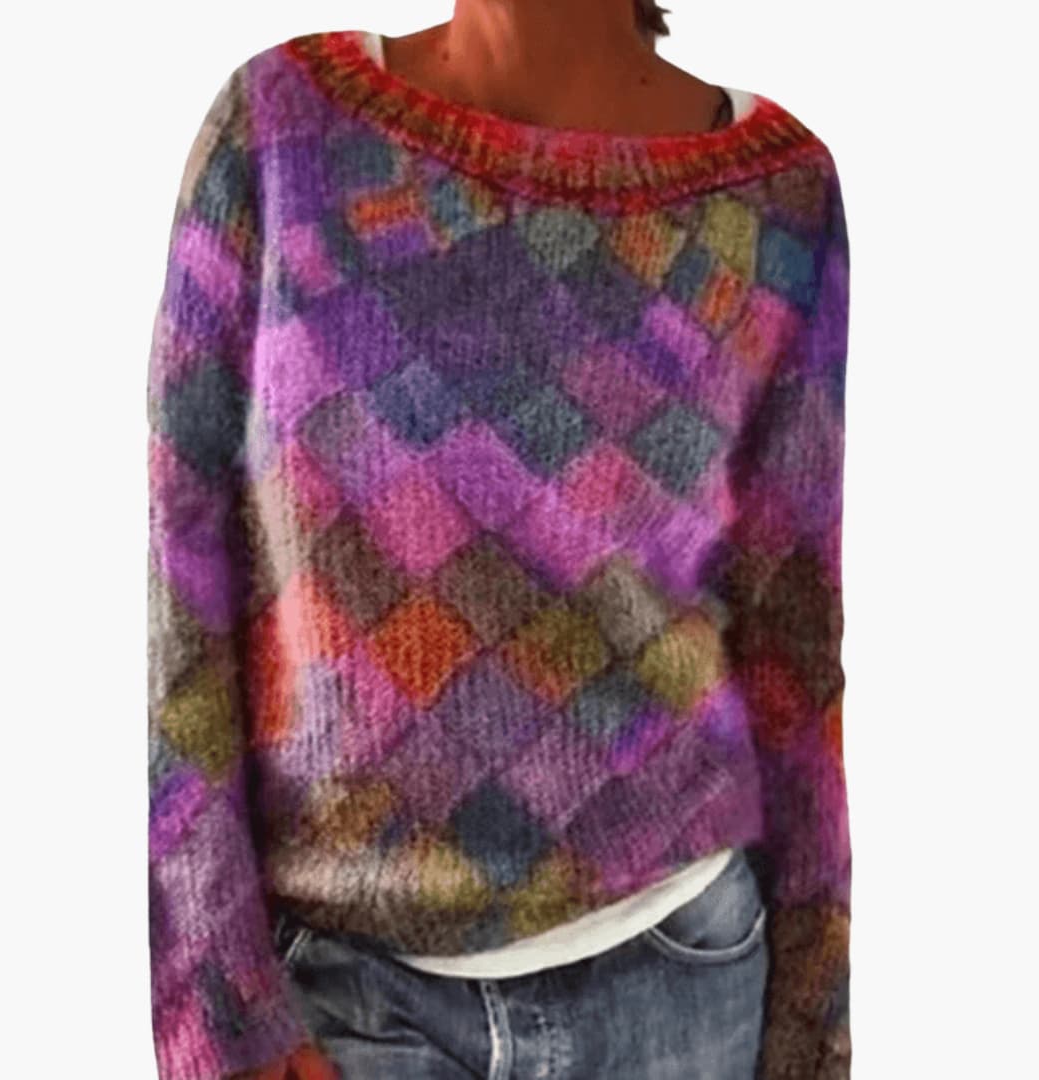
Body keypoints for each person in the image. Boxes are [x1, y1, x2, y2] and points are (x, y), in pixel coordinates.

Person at [146, 2, 852, 1078]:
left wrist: (814, 1032)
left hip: (685, 992)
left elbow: (794, 643)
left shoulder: (777, 200)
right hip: (341, 1007)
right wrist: (213, 1004)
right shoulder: (281, 132)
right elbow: (181, 571)